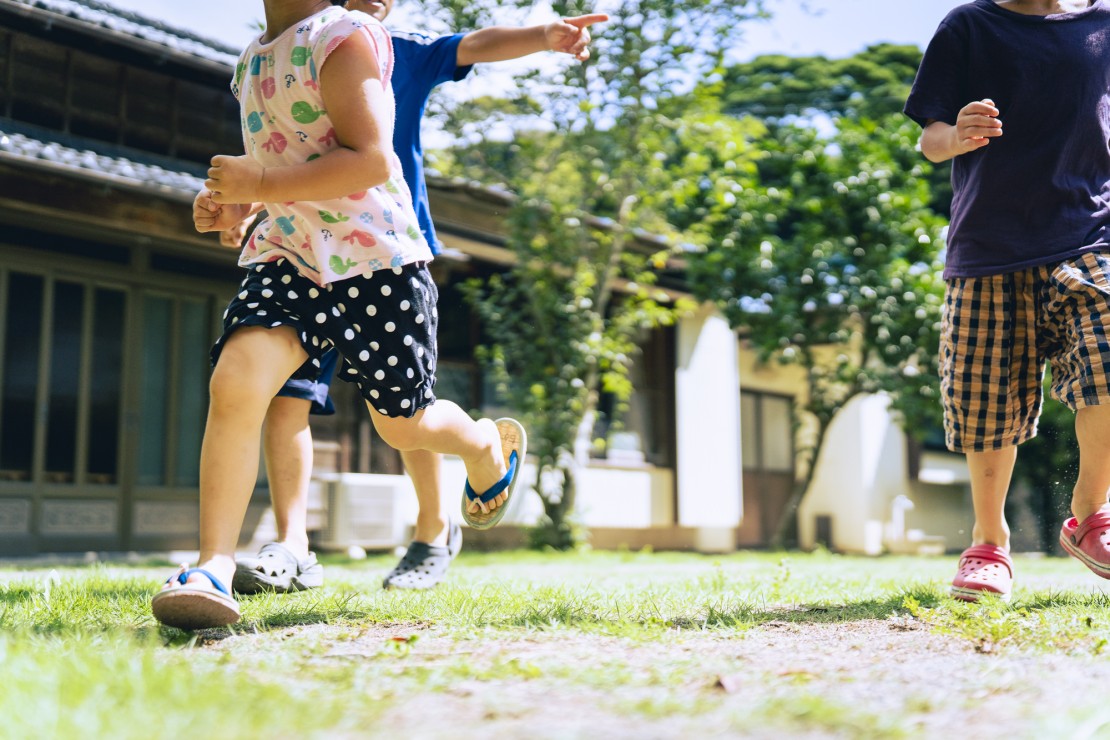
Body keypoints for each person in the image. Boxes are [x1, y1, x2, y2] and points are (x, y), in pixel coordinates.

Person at [152, 0, 526, 630]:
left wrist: (260, 185)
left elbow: (374, 159)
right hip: (293, 257)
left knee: (403, 427)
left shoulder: (345, 39)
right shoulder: (254, 58)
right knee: (237, 382)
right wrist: (238, 208)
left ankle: (486, 445)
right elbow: (287, 158)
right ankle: (213, 566)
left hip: (376, 263)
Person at [228, 0, 606, 593]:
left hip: (387, 250)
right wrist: (249, 199)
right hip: (301, 249)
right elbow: (276, 147)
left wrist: (544, 34)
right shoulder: (279, 54)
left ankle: (432, 532)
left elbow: (474, 45)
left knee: (404, 409)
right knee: (282, 393)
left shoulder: (392, 45)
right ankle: (292, 544)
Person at [904, 0, 1110, 602]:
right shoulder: (969, 27)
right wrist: (956, 135)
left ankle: (1092, 513)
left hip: (1090, 232)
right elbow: (930, 140)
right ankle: (989, 542)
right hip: (990, 244)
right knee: (985, 399)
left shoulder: (1102, 25)